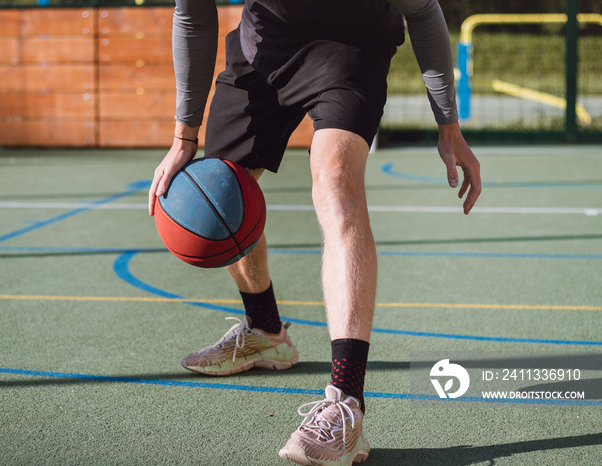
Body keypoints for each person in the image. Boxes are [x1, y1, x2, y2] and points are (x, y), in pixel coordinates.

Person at [148, 0, 482, 464]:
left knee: (335, 179)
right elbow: (193, 12)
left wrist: (448, 124)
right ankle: (266, 330)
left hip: (351, 46)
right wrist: (185, 135)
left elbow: (423, 12)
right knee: (223, 190)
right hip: (262, 45)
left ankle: (346, 400)